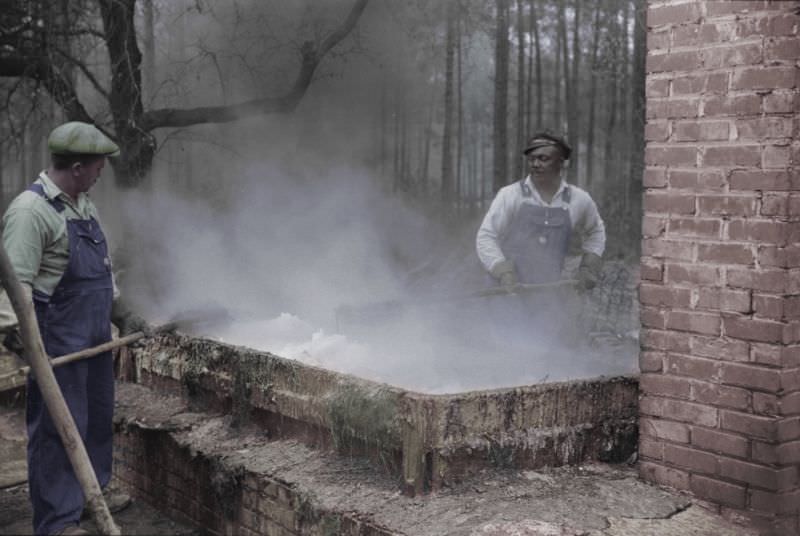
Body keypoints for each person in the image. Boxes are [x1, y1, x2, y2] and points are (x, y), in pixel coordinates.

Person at [0, 122, 147, 535]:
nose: (103, 173)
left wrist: (121, 313)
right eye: (100, 166)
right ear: (79, 167)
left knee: (94, 420)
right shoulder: (31, 213)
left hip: (95, 338)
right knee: (56, 429)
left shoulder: (82, 205)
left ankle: (90, 497)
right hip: (56, 341)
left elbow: (100, 273)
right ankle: (58, 519)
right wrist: (21, 343)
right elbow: (14, 288)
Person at [476, 132, 606, 292]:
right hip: (506, 292)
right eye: (532, 159)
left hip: (548, 292)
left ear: (560, 162)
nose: (535, 164)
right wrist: (502, 271)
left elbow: (596, 232)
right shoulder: (510, 195)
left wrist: (588, 267)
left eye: (543, 159)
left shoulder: (578, 200)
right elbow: (486, 236)